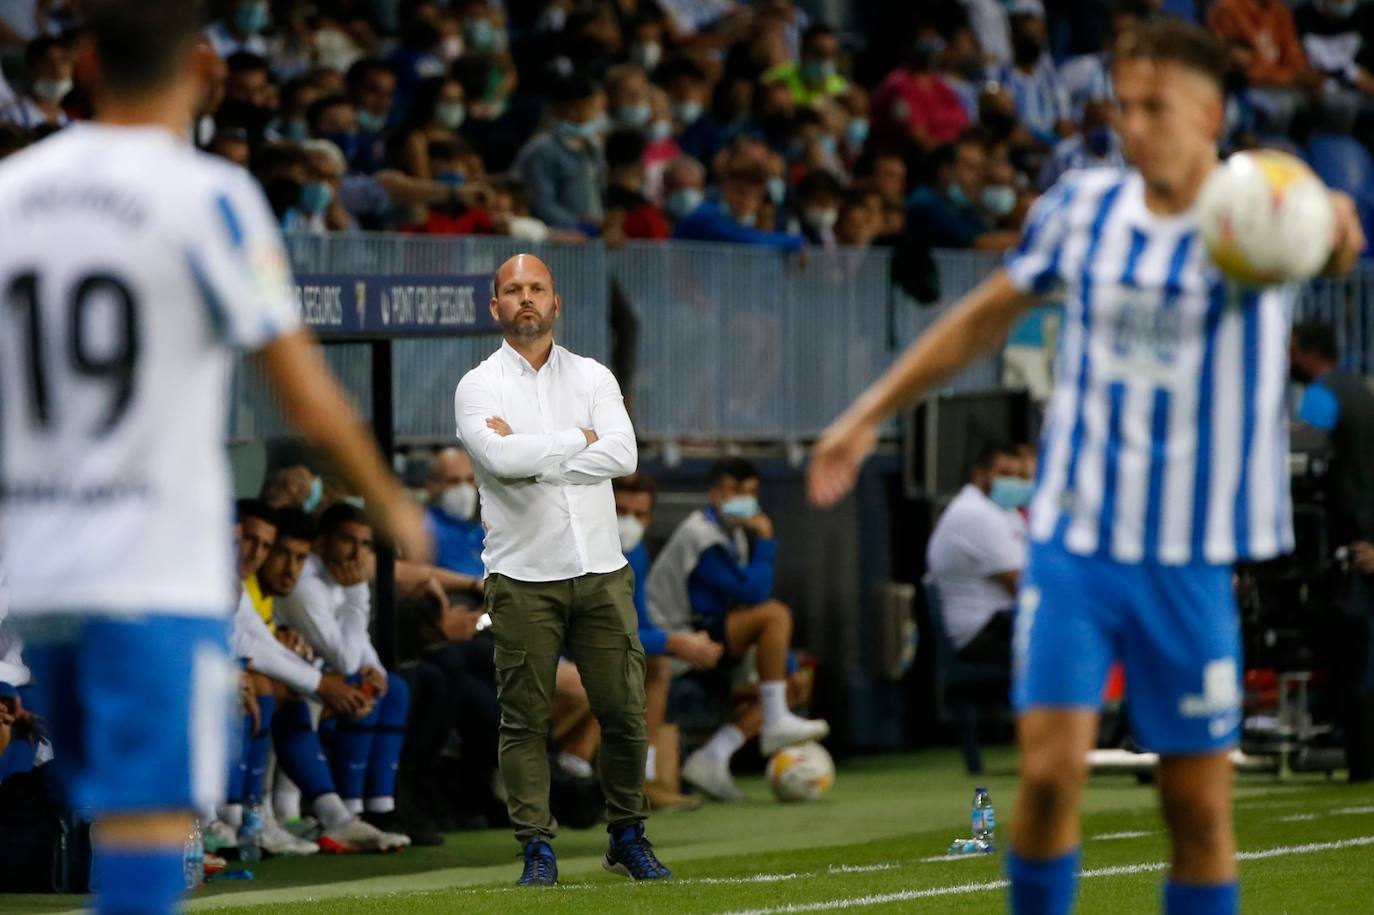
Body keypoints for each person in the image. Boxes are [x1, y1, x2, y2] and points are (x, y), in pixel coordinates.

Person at [808, 19, 1365, 915]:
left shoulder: (1265, 208)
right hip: (1077, 540)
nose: (1135, 124)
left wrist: (1338, 227)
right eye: (1125, 105)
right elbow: (986, 315)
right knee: (1050, 772)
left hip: (1190, 556)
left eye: (1158, 107)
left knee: (1197, 809)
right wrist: (867, 411)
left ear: (1213, 113)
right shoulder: (1083, 207)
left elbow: (1334, 242)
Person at [0, 3, 430, 910]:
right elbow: (301, 388)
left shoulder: (14, 190)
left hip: (36, 570)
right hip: (149, 561)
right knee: (148, 825)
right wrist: (390, 502)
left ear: (81, 62)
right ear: (205, 65)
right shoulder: (205, 194)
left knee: (92, 802)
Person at [454, 253, 670, 886]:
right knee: (525, 719)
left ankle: (627, 834)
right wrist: (580, 439)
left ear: (556, 303)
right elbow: (496, 457)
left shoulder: (594, 376)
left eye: (537, 289)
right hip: (521, 577)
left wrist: (536, 455)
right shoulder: (479, 385)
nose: (526, 298)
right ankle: (535, 849)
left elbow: (624, 455)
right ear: (495, 307)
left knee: (626, 713)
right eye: (513, 290)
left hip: (602, 568)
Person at [647, 458, 830, 801]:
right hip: (677, 643)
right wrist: (766, 540)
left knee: (790, 685)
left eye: (751, 492)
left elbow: (742, 608)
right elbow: (755, 596)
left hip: (710, 637)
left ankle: (712, 756)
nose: (744, 499)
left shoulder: (731, 535)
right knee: (775, 614)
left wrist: (787, 663)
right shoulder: (699, 535)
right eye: (735, 491)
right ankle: (775, 721)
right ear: (715, 493)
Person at [1290, 320, 1374, 781]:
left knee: (1355, 647)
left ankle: (1358, 755)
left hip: (1353, 543)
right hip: (1366, 532)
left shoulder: (1322, 393)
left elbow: (1305, 447)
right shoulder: (1360, 388)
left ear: (1304, 350)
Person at [613, 473, 720, 812]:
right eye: (619, 510)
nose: (629, 521)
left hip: (610, 651)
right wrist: (677, 641)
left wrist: (681, 642)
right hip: (571, 651)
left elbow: (639, 621)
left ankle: (646, 780)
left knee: (657, 664)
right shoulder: (585, 550)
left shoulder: (637, 554)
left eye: (640, 515)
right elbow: (602, 632)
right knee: (658, 660)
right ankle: (634, 783)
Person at [927, 444, 1031, 669]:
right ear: (981, 474)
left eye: (1019, 476)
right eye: (1005, 474)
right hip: (980, 634)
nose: (1014, 482)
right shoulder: (977, 513)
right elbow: (1023, 587)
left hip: (1004, 622)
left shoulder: (1005, 511)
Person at [512, 73, 607, 235]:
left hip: (589, 245)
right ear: (572, 108)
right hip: (558, 245)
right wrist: (580, 226)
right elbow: (540, 203)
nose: (599, 115)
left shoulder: (594, 149)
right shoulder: (543, 150)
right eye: (594, 107)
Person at [673, 162, 803, 252]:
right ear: (726, 189)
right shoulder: (705, 216)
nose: (746, 200)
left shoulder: (744, 223)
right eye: (740, 191)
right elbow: (752, 242)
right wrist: (797, 242)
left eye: (755, 196)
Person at [424, 447, 486, 587]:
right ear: (431, 487)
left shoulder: (481, 530)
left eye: (470, 480)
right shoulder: (423, 531)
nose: (464, 489)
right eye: (453, 481)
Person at [761, 22, 849, 107]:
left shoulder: (841, 89)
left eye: (832, 54)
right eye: (819, 53)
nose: (826, 60)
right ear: (802, 51)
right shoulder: (773, 80)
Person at [0, 35, 72, 129]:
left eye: (64, 61)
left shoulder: (71, 124)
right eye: (48, 62)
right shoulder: (11, 116)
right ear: (31, 69)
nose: (58, 70)